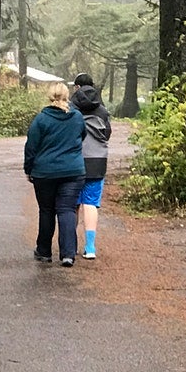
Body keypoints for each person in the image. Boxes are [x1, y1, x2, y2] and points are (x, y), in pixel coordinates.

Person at [24, 81, 86, 267]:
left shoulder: (41, 119)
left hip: (45, 172)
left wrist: (29, 169)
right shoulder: (77, 117)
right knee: (66, 210)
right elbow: (82, 136)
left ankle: (44, 251)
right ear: (67, 96)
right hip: (73, 171)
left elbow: (31, 147)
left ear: (50, 97)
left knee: (47, 210)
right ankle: (68, 254)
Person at [71, 73, 111, 260]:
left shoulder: (71, 110)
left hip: (75, 161)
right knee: (91, 203)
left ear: (77, 88)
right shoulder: (102, 111)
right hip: (97, 161)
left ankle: (70, 246)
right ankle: (90, 247)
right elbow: (107, 134)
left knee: (72, 205)